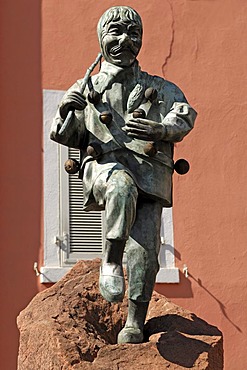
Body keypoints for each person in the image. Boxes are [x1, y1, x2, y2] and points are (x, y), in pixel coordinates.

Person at [50, 6, 197, 344]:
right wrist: (66, 108)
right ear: (101, 38)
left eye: (132, 34)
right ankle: (111, 260)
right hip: (105, 169)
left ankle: (134, 322)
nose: (124, 40)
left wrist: (160, 128)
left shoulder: (159, 88)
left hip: (151, 175)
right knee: (120, 186)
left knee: (146, 252)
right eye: (115, 33)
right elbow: (63, 133)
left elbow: (185, 115)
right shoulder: (89, 87)